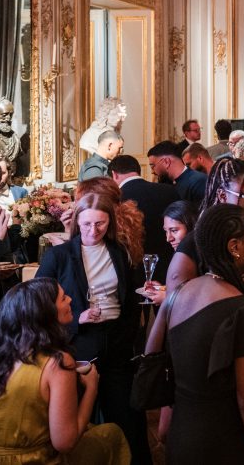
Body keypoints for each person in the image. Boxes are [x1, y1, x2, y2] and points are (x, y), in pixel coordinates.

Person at [155, 204, 244, 465]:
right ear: (234, 246)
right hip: (225, 440)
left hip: (183, 433)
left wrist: (165, 423)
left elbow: (156, 361)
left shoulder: (177, 294)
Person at [35, 193, 151, 463]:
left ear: (109, 222)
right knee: (74, 420)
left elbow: (129, 300)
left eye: (100, 224)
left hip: (117, 342)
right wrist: (78, 318)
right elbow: (39, 303)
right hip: (77, 343)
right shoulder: (60, 255)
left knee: (127, 417)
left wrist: (129, 335)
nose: (93, 231)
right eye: (86, 224)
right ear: (77, 221)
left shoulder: (118, 251)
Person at [0, 278, 130, 464]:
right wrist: (92, 387)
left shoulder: (5, 353)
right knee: (112, 435)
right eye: (63, 298)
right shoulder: (58, 361)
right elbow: (65, 442)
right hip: (35, 458)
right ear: (45, 313)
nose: (70, 300)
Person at [109, 154, 179, 282]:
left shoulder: (116, 199)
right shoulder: (169, 190)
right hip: (170, 265)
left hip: (133, 270)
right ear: (138, 170)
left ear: (114, 174)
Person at [147, 141, 208, 205]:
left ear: (166, 162)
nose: (152, 172)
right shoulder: (168, 184)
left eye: (153, 166)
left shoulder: (199, 181)